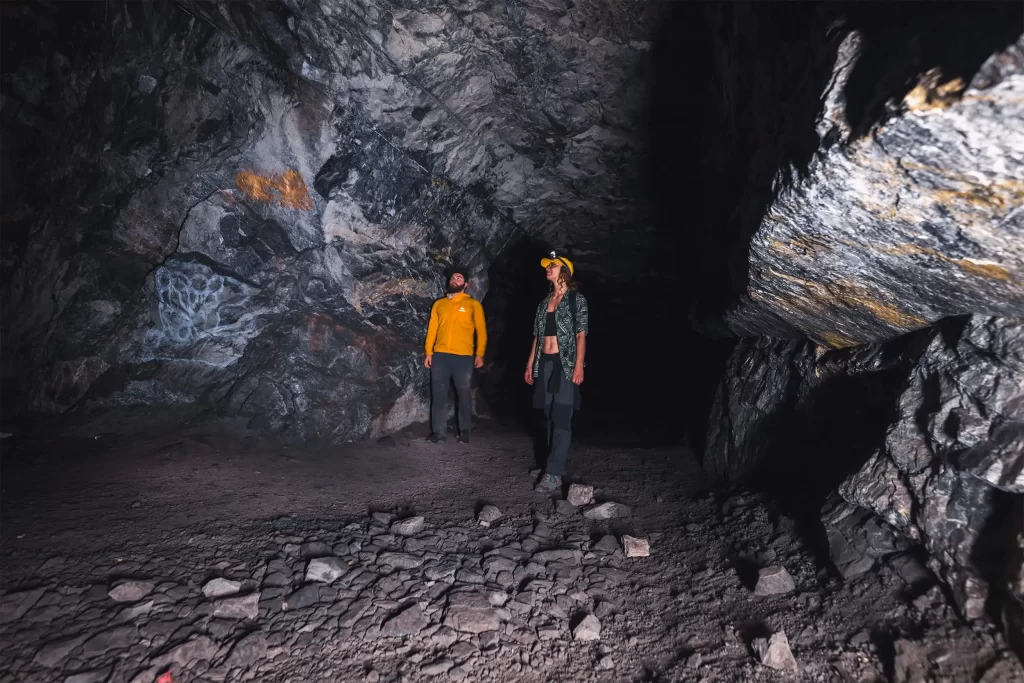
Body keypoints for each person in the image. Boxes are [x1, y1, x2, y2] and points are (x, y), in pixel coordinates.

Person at [524, 252, 589, 493]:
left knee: (562, 416)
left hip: (566, 364)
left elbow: (581, 334)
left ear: (564, 271)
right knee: (549, 415)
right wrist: (530, 364)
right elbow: (537, 337)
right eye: (547, 265)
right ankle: (552, 465)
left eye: (553, 265)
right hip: (545, 363)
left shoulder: (576, 300)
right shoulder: (544, 302)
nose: (548, 268)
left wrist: (579, 365)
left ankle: (553, 474)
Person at [424, 268, 487, 444]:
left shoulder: (473, 305)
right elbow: (432, 330)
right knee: (439, 394)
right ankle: (438, 433)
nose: (454, 279)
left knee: (464, 393)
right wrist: (429, 352)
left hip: (463, 356)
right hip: (441, 356)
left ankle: (465, 431)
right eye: (453, 277)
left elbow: (481, 331)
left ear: (465, 285)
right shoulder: (439, 304)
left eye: (459, 278)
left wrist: (479, 353)